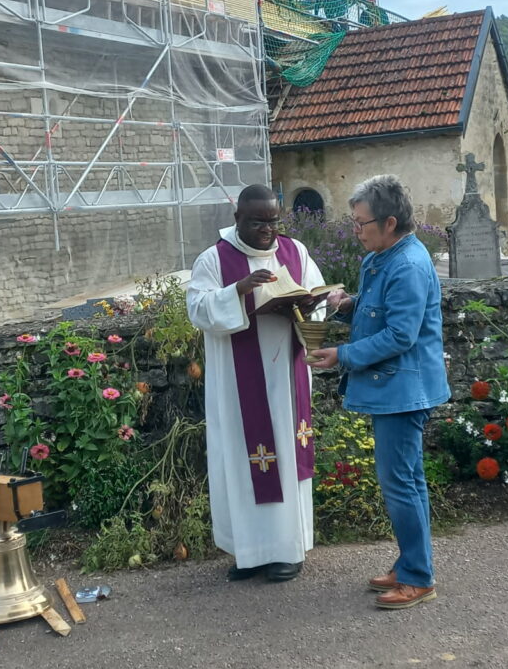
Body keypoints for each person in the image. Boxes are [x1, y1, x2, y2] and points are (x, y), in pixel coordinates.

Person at [311, 175, 450, 609]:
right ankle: (411, 562)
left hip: (405, 388)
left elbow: (400, 335)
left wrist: (343, 354)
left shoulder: (407, 264)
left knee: (400, 483)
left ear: (389, 222)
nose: (356, 230)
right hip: (398, 387)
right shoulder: (386, 256)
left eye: (361, 223)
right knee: (406, 480)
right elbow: (384, 306)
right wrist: (349, 303)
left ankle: (417, 577)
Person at [186, 184, 325, 583]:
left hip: (286, 374)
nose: (268, 230)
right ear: (237, 219)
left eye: (273, 221)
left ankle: (287, 550)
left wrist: (309, 306)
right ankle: (251, 553)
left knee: (283, 454)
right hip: (238, 382)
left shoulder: (295, 252)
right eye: (258, 222)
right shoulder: (214, 259)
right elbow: (198, 309)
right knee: (243, 460)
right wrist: (239, 291)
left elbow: (314, 295)